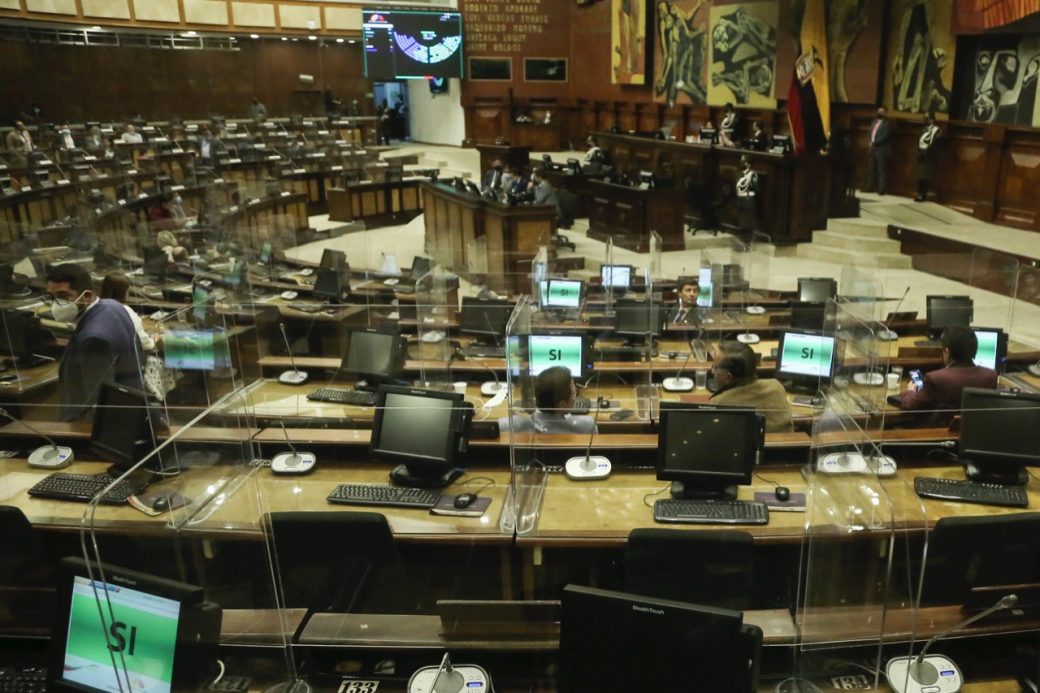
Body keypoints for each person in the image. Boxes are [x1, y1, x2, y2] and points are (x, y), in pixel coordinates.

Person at [45, 263, 144, 421]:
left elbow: (97, 404)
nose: (55, 305)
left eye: (63, 297)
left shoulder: (93, 338)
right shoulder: (113, 306)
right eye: (51, 297)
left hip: (97, 428)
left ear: (87, 296)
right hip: (132, 408)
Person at [898, 325, 998, 424]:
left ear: (947, 351)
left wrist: (910, 390)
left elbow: (911, 405)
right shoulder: (990, 376)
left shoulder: (935, 378)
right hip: (974, 432)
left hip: (938, 433)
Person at [710, 341, 793, 432]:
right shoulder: (776, 386)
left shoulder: (718, 403)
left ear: (728, 377)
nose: (712, 371)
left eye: (715, 367)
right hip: (784, 445)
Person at [498, 366, 597, 434]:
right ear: (562, 405)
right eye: (574, 392)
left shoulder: (513, 425)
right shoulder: (587, 425)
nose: (576, 395)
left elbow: (498, 425)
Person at [100, 273, 156, 352]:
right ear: (122, 292)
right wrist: (155, 339)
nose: (128, 294)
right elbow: (145, 344)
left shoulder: (96, 306)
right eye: (127, 291)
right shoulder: (126, 312)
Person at [866, 107, 892, 195]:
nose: (879, 113)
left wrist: (874, 143)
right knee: (871, 169)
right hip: (871, 148)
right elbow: (869, 133)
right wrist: (869, 141)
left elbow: (885, 136)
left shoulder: (887, 124)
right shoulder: (874, 122)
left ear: (885, 113)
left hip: (881, 149)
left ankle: (881, 189)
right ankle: (870, 186)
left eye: (882, 112)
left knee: (881, 169)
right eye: (878, 111)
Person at [915, 112, 940, 202]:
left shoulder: (936, 130)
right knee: (920, 176)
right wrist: (918, 151)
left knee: (925, 176)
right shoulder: (923, 129)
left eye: (927, 118)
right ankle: (919, 193)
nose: (925, 120)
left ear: (932, 119)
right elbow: (918, 141)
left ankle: (923, 194)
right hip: (921, 155)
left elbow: (934, 143)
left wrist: (925, 152)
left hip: (928, 155)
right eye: (924, 118)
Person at [735, 155, 759, 239]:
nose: (742, 163)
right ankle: (742, 239)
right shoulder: (739, 173)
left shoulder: (752, 175)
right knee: (742, 222)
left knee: (748, 223)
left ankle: (747, 241)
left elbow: (756, 189)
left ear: (749, 164)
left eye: (744, 162)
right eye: (741, 161)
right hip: (740, 199)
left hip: (748, 200)